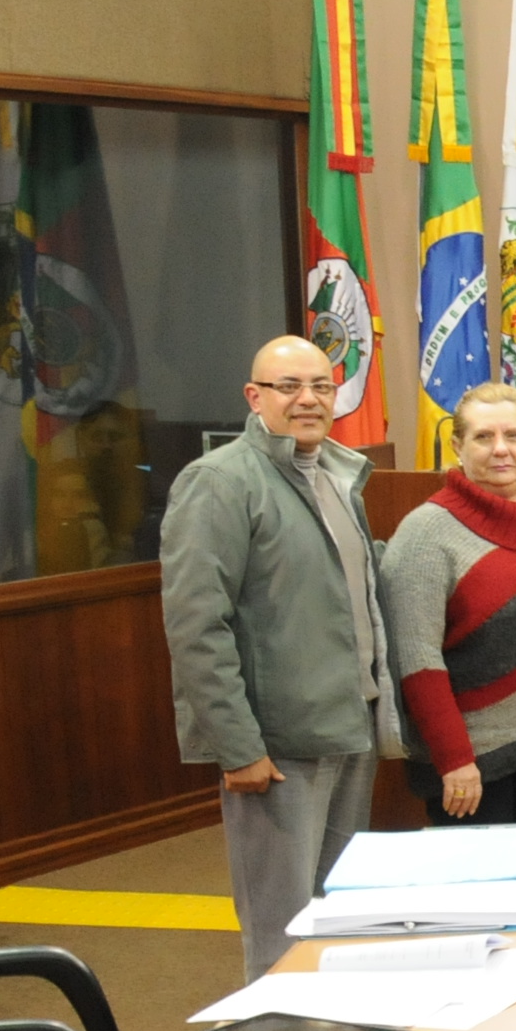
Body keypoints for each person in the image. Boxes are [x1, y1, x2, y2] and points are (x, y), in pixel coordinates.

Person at [160, 336, 401, 980]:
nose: (307, 400)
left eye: (321, 387)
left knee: (337, 921)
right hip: (277, 749)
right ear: (254, 396)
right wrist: (236, 746)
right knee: (281, 937)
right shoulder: (220, 482)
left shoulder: (336, 474)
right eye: (288, 386)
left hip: (350, 727)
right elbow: (195, 626)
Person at [379, 382, 516, 826]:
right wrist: (453, 760)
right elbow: (417, 661)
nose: (500, 449)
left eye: (513, 436)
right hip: (471, 770)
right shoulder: (426, 534)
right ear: (457, 445)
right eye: (484, 437)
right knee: (482, 896)